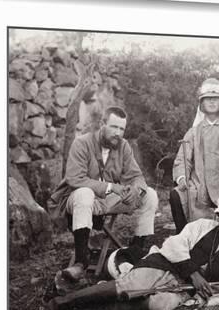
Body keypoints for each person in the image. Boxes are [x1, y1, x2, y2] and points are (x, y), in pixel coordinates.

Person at [28, 191, 219, 310]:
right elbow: (174, 245)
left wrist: (213, 294)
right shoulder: (202, 227)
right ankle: (55, 306)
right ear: (218, 217)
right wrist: (194, 273)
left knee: (158, 305)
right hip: (164, 265)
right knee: (129, 286)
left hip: (185, 290)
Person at [49, 106, 159, 279]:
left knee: (150, 194)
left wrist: (135, 190)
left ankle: (136, 251)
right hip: (79, 200)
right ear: (102, 124)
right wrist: (111, 187)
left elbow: (137, 176)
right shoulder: (82, 143)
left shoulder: (123, 146)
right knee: (84, 193)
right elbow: (75, 179)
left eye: (122, 129)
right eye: (114, 127)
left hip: (107, 201)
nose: (118, 133)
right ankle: (80, 263)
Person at [169, 78, 219, 234]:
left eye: (216, 99)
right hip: (199, 185)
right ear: (201, 105)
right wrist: (182, 178)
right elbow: (183, 159)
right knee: (177, 195)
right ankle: (185, 237)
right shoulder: (193, 132)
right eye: (208, 99)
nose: (212, 102)